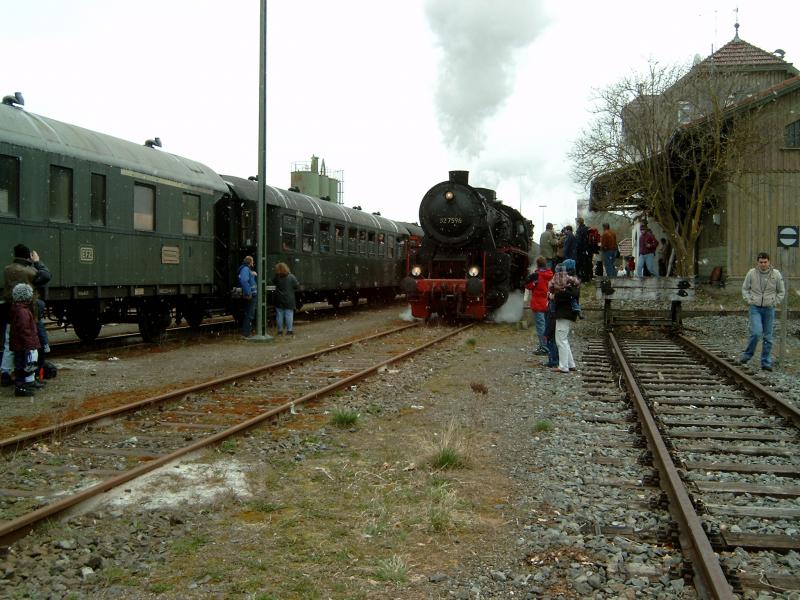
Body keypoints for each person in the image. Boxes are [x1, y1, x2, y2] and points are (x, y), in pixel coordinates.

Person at [2, 244, 51, 386]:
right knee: (31, 346)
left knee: (9, 345)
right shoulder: (28, 271)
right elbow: (46, 276)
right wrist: (37, 262)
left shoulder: (7, 269)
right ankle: (28, 378)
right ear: (27, 255)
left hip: (10, 311)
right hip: (28, 312)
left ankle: (5, 373)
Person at [739, 252, 785, 371]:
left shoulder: (776, 274)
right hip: (755, 308)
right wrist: (749, 300)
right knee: (756, 333)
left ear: (769, 262)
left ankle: (765, 362)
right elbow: (745, 288)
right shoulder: (751, 273)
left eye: (765, 262)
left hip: (769, 308)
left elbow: (781, 291)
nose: (763, 264)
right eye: (761, 262)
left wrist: (775, 302)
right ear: (757, 262)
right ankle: (747, 355)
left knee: (768, 337)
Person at [9, 283, 41, 397]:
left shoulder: (19, 309)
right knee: (22, 366)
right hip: (22, 344)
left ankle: (23, 385)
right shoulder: (23, 311)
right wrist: (31, 344)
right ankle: (20, 387)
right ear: (27, 297)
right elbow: (25, 330)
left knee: (22, 365)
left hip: (19, 344)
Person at [548, 260, 580, 373]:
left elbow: (567, 295)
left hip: (564, 312)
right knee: (563, 339)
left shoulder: (569, 282)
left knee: (560, 340)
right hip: (566, 312)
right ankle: (571, 364)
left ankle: (563, 366)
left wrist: (553, 296)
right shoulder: (573, 281)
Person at [525, 256, 553, 355]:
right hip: (547, 302)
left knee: (541, 326)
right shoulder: (549, 274)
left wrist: (532, 282)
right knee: (546, 325)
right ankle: (548, 345)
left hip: (538, 303)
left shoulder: (537, 275)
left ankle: (544, 347)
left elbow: (529, 286)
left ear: (537, 264)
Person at [272, 262, 300, 336]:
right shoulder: (291, 276)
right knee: (289, 314)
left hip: (279, 299)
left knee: (279, 315)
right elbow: (297, 286)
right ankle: (289, 331)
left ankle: (280, 331)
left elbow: (274, 282)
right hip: (289, 299)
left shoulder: (277, 277)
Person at [238, 256, 257, 338]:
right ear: (250, 262)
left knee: (249, 313)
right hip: (251, 294)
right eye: (252, 261)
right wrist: (248, 292)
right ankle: (246, 333)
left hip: (251, 294)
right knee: (249, 314)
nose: (253, 263)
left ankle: (247, 332)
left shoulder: (245, 269)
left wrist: (251, 273)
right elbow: (244, 280)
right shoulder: (245, 269)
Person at [574, 217, 592, 281]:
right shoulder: (586, 228)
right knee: (587, 264)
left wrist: (576, 249)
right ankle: (587, 277)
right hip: (587, 249)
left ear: (578, 222)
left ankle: (583, 278)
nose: (576, 223)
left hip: (581, 250)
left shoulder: (579, 230)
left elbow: (578, 241)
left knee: (581, 264)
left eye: (576, 222)